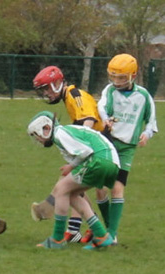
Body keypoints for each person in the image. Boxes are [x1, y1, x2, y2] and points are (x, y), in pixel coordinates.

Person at [31, 65, 110, 243]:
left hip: (98, 149)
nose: (45, 94)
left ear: (58, 83)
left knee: (75, 187)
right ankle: (79, 230)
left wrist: (79, 147)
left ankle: (103, 232)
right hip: (95, 149)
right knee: (74, 188)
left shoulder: (75, 96)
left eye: (46, 88)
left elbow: (88, 121)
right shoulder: (69, 99)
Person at [27, 111, 119, 250]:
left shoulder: (60, 134)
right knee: (71, 194)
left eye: (37, 135)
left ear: (46, 128)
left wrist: (71, 166)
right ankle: (101, 236)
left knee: (61, 190)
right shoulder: (65, 132)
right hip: (112, 163)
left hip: (100, 160)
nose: (38, 139)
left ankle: (57, 239)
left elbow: (85, 151)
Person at [97, 53, 158, 244]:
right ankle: (108, 229)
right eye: (113, 76)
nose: (116, 81)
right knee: (100, 190)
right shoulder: (110, 91)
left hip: (126, 148)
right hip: (108, 143)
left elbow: (152, 122)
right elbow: (102, 106)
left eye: (121, 77)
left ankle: (112, 234)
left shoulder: (143, 96)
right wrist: (106, 119)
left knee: (117, 189)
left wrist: (146, 134)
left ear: (133, 75)